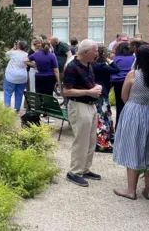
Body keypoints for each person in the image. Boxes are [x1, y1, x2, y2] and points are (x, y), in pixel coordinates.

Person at [113, 44, 149, 200]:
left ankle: (131, 190)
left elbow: (124, 96)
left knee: (133, 147)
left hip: (134, 112)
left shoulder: (133, 75)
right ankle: (148, 190)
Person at [62, 39, 102, 187]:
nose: (97, 53)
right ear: (86, 52)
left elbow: (87, 84)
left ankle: (84, 169)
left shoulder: (87, 64)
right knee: (81, 141)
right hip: (79, 106)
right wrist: (89, 91)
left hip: (90, 105)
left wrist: (95, 88)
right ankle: (74, 172)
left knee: (91, 140)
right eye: (95, 51)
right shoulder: (72, 66)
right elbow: (66, 91)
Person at [92, 45, 120, 152]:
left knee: (105, 115)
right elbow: (117, 69)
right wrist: (109, 60)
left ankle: (108, 139)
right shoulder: (101, 66)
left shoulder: (92, 65)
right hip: (102, 94)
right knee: (103, 117)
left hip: (97, 93)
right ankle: (103, 143)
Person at [111, 42, 135, 129]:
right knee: (129, 104)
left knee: (119, 104)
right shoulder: (133, 58)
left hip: (118, 82)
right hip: (130, 82)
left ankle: (118, 126)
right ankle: (128, 126)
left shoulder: (116, 58)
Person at [4, 41, 28, 113]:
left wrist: (13, 48)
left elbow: (6, 54)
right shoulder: (26, 55)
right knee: (19, 93)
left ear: (18, 46)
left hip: (11, 76)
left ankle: (7, 107)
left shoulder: (13, 52)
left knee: (8, 92)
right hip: (22, 77)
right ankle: (17, 109)